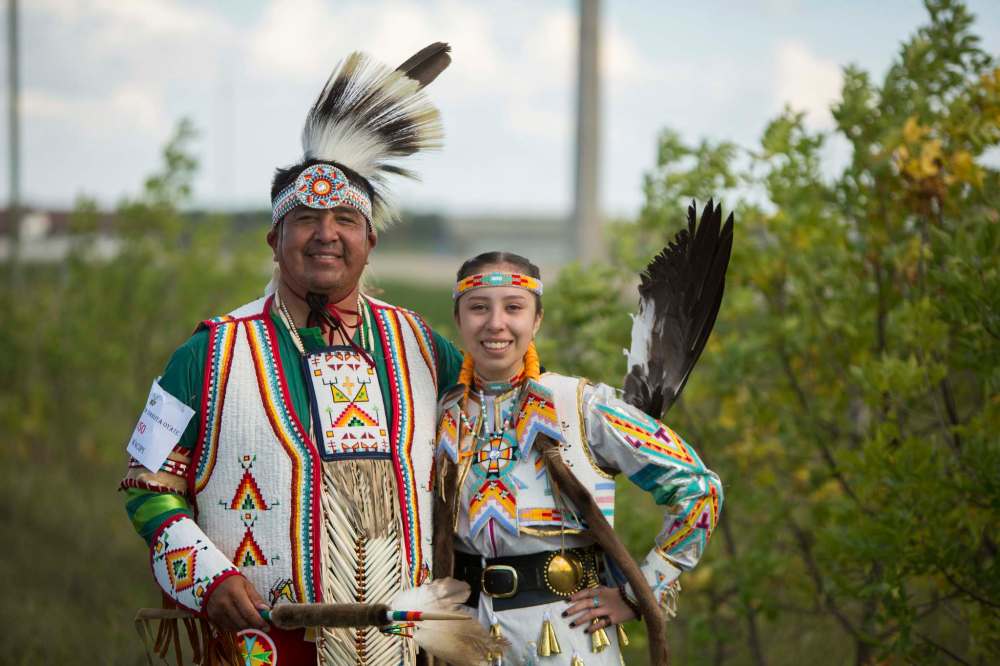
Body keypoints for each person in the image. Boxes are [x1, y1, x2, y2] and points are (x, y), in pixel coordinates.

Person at [120, 45, 463, 666]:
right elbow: (147, 485)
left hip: (406, 646)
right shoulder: (209, 354)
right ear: (275, 238)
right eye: (304, 217)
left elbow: (503, 433)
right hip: (265, 646)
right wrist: (210, 579)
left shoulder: (422, 347)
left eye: (344, 219)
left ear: (369, 241)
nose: (325, 232)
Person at [434, 251, 723, 665]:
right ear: (459, 318)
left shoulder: (582, 405)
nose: (495, 323)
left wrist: (640, 592)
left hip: (566, 636)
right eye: (479, 307)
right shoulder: (442, 415)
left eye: (513, 307)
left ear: (536, 320)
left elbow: (700, 489)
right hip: (465, 638)